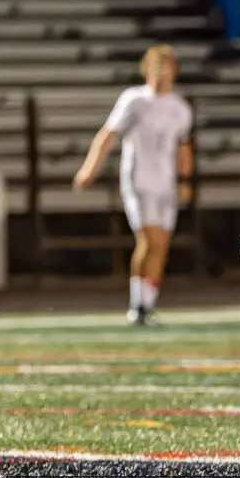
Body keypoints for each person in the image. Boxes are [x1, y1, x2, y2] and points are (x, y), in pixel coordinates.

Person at [73, 45, 193, 326]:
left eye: (166, 63)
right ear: (145, 68)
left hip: (166, 184)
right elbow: (108, 135)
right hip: (138, 181)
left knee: (161, 245)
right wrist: (89, 168)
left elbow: (184, 148)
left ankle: (146, 306)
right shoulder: (134, 99)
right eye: (155, 63)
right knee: (149, 240)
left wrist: (184, 181)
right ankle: (137, 305)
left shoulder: (180, 107)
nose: (161, 69)